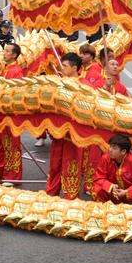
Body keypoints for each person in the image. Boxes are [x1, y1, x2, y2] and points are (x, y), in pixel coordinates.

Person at [46, 53, 85, 199]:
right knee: (55, 164)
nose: (62, 68)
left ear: (75, 68)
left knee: (71, 166)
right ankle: (51, 193)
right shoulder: (60, 83)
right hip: (58, 131)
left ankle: (70, 197)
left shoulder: (82, 86)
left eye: (65, 66)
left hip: (73, 133)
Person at [92, 133, 132, 204]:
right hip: (112, 194)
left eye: (114, 148)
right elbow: (98, 178)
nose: (110, 150)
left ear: (123, 151)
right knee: (96, 189)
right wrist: (111, 186)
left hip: (130, 197)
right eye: (110, 146)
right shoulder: (105, 158)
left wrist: (126, 192)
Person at [0, 43, 24, 182]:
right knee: (4, 144)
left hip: (11, 113)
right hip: (3, 112)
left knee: (13, 145)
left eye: (8, 51)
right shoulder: (5, 68)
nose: (5, 52)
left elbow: (16, 94)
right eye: (5, 50)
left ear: (14, 55)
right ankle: (5, 172)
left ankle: (14, 176)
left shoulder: (16, 71)